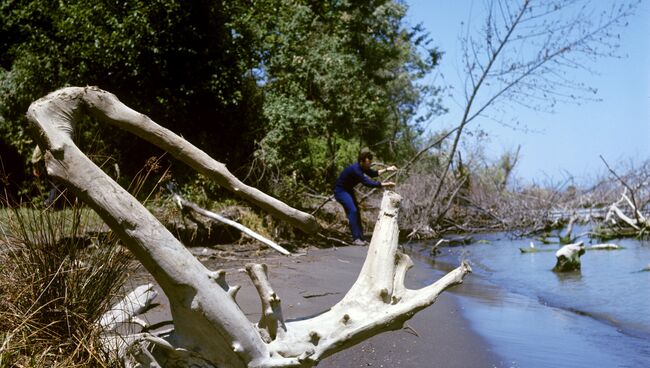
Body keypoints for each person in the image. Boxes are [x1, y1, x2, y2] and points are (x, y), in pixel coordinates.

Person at [334, 148, 397, 245]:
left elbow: (374, 174)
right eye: (368, 163)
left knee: (356, 212)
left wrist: (388, 169)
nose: (369, 165)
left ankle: (360, 238)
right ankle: (356, 239)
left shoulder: (363, 168)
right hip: (340, 191)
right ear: (361, 162)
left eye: (370, 163)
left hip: (348, 190)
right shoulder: (356, 170)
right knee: (353, 210)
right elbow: (368, 183)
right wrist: (386, 184)